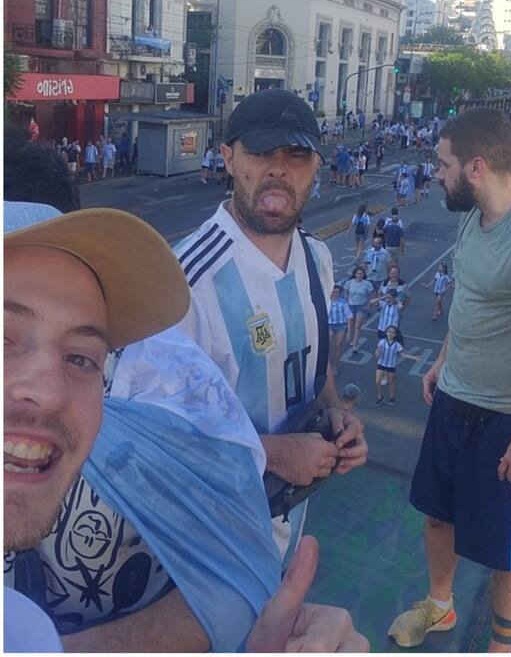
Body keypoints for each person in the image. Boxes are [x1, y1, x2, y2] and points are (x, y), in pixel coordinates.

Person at [3, 201, 367, 653]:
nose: (50, 392)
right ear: (231, 159)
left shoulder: (315, 259)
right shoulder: (199, 274)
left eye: (82, 358)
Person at [389, 109, 511, 652]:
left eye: (443, 163)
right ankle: (440, 606)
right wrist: (442, 362)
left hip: (510, 421)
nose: (435, 172)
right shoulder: (470, 217)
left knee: (509, 554)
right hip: (454, 400)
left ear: (475, 167)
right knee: (437, 515)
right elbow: (472, 299)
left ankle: (500, 648)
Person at [171, 88, 368, 565]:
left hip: (289, 517)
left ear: (317, 166)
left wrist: (336, 413)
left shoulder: (316, 257)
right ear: (228, 159)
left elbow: (313, 363)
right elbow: (155, 434)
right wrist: (273, 453)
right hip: (207, 540)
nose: (278, 169)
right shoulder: (185, 282)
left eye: (296, 155)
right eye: (260, 153)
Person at [374, 325, 418, 407]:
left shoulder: (397, 345)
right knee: (377, 381)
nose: (390, 334)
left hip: (391, 366)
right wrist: (377, 353)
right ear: (386, 333)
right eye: (389, 332)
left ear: (395, 335)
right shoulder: (382, 342)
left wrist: (414, 357)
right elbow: (377, 353)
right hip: (381, 364)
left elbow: (403, 354)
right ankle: (380, 396)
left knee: (391, 382)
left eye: (392, 332)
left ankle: (391, 397)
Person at [343, 266, 374, 354]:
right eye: (358, 273)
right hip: (351, 305)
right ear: (355, 274)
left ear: (363, 274)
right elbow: (346, 292)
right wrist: (346, 302)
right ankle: (350, 334)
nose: (359, 275)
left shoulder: (367, 284)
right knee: (350, 323)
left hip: (361, 306)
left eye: (361, 273)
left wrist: (368, 305)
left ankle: (355, 344)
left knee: (357, 325)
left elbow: (371, 295)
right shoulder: (350, 282)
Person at [328, 284, 351, 373]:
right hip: (329, 325)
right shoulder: (327, 301)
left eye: (337, 292)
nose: (335, 294)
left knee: (337, 346)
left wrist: (348, 332)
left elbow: (349, 316)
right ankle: (328, 365)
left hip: (341, 326)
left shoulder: (343, 302)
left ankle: (334, 366)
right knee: (327, 346)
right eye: (333, 292)